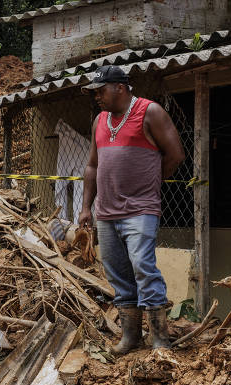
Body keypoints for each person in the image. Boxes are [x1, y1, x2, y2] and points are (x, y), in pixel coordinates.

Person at [78, 65, 185, 354]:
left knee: (143, 268)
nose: (97, 97)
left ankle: (160, 339)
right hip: (106, 212)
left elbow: (176, 155)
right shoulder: (100, 120)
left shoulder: (150, 112)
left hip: (140, 210)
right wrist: (86, 207)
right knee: (118, 274)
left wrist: (151, 182)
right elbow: (92, 165)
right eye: (95, 92)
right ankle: (131, 337)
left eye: (101, 91)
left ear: (120, 88)